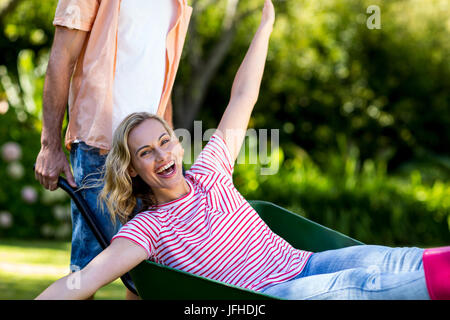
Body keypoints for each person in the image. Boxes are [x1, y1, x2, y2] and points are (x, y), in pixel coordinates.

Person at [36, 0, 449, 300]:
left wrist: (266, 24)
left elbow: (243, 96)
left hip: (304, 264)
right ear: (132, 170)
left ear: (179, 144)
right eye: (145, 153)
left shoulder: (211, 171)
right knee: (363, 288)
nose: (162, 156)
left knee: (389, 262)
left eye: (165, 142)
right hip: (272, 294)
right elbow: (84, 280)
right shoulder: (147, 229)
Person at [34, 0, 192, 299]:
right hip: (100, 146)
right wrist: (49, 144)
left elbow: (161, 74)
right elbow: (61, 58)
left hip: (153, 154)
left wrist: (169, 139)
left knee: (157, 268)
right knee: (87, 271)